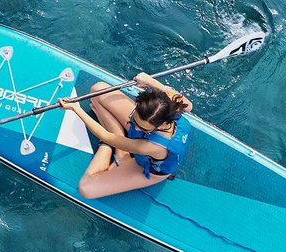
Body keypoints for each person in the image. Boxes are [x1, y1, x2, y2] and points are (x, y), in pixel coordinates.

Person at [57, 73, 192, 199]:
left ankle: (111, 147)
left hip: (147, 168)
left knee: (86, 189)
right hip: (147, 133)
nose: (135, 128)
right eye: (134, 120)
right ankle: (122, 138)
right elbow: (189, 106)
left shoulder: (152, 146)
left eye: (142, 128)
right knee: (98, 89)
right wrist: (150, 81)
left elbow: (105, 136)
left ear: (161, 123)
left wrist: (76, 108)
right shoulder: (172, 104)